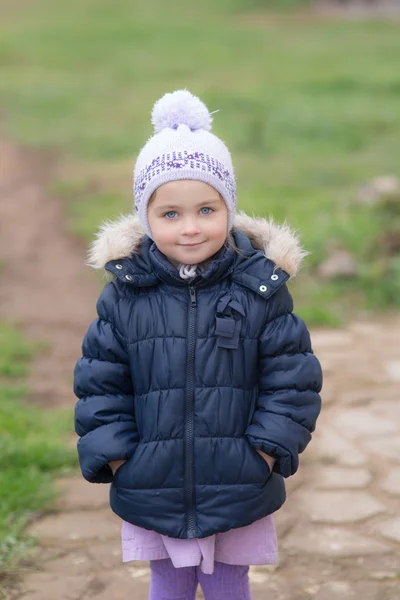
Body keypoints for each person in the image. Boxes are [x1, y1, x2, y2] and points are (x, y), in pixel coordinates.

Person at [73, 89, 323, 600]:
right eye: (170, 214)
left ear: (228, 208)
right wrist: (121, 458)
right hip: (153, 478)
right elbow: (101, 384)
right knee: (167, 580)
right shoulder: (125, 295)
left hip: (239, 476)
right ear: (146, 216)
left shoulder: (260, 290)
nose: (190, 228)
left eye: (206, 209)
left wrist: (266, 452)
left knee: (230, 580)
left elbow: (293, 379)